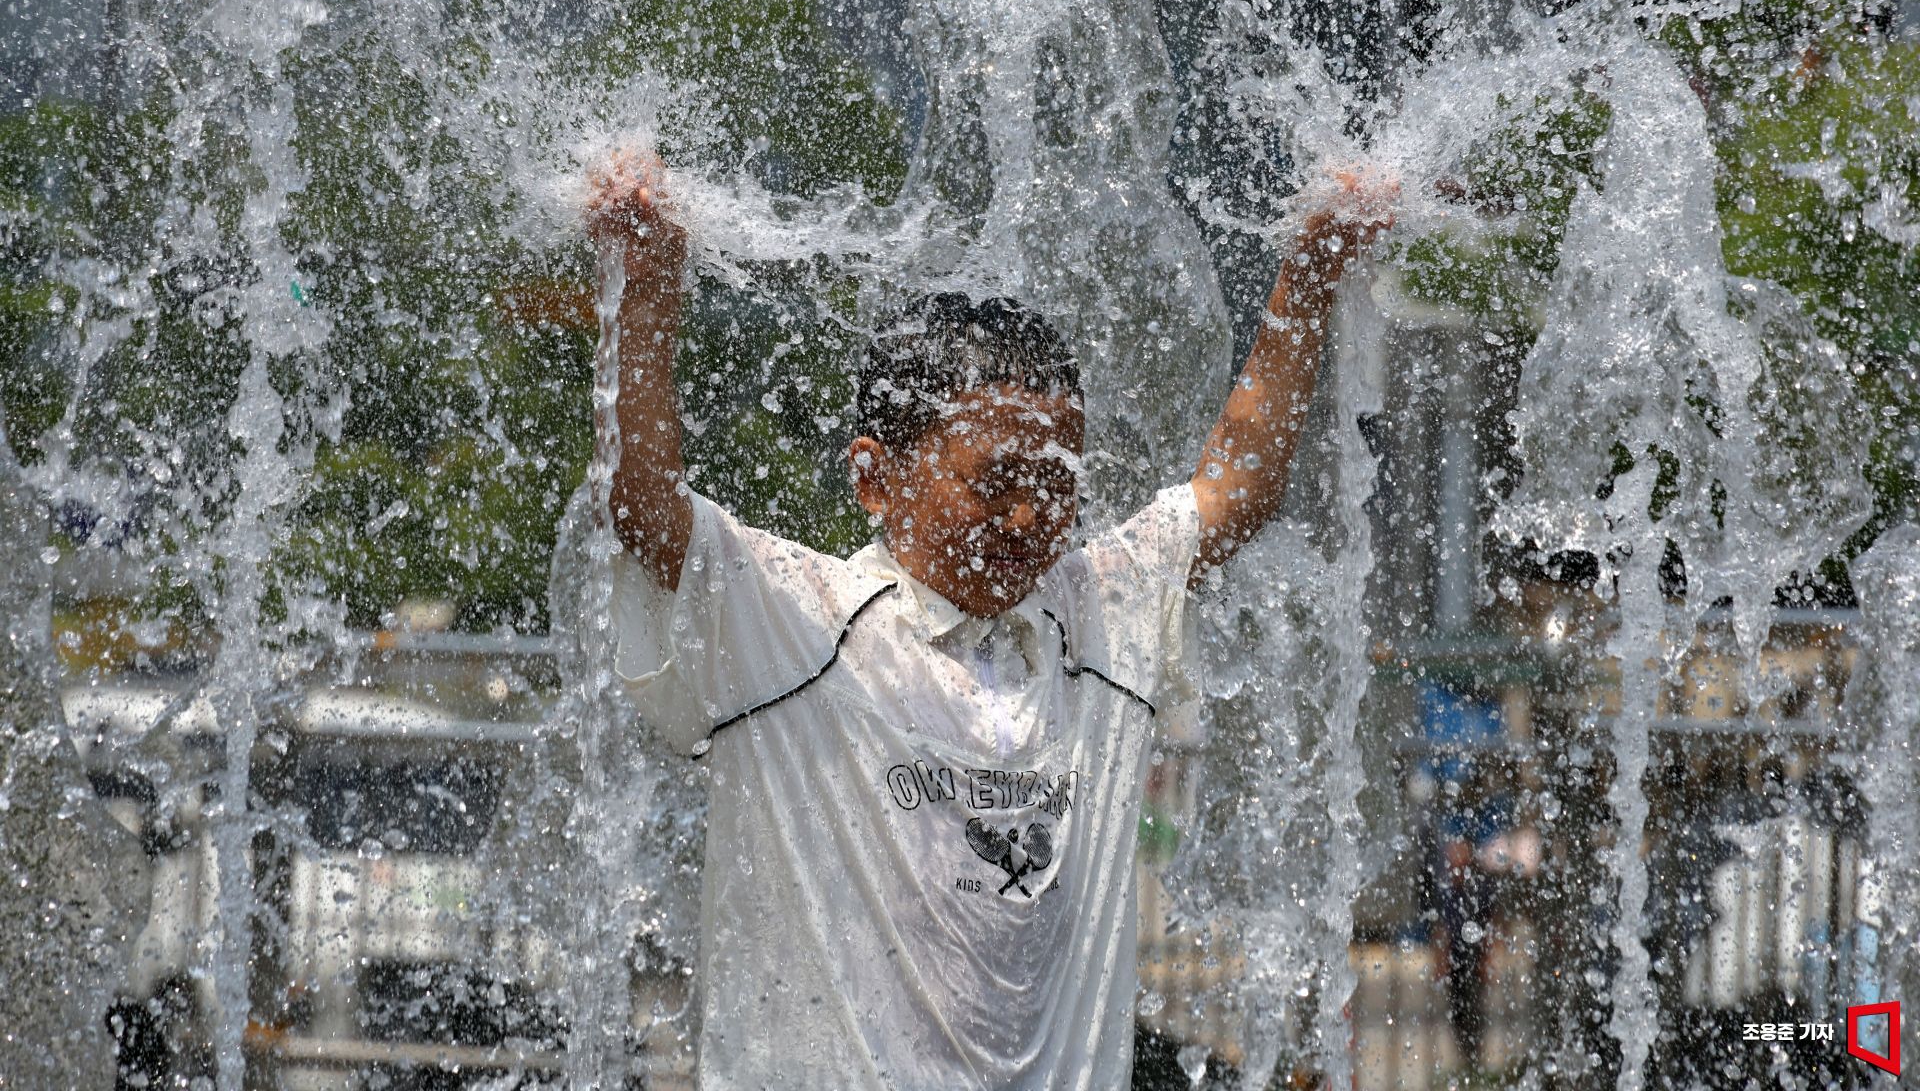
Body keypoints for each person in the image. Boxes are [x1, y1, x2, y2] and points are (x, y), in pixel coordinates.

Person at [588, 149, 1392, 1089]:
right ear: (875, 479)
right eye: (995, 482)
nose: (1028, 519)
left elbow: (1234, 490)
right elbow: (644, 504)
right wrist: (646, 288)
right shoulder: (797, 622)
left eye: (1056, 486)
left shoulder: (1094, 620)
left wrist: (1311, 270)